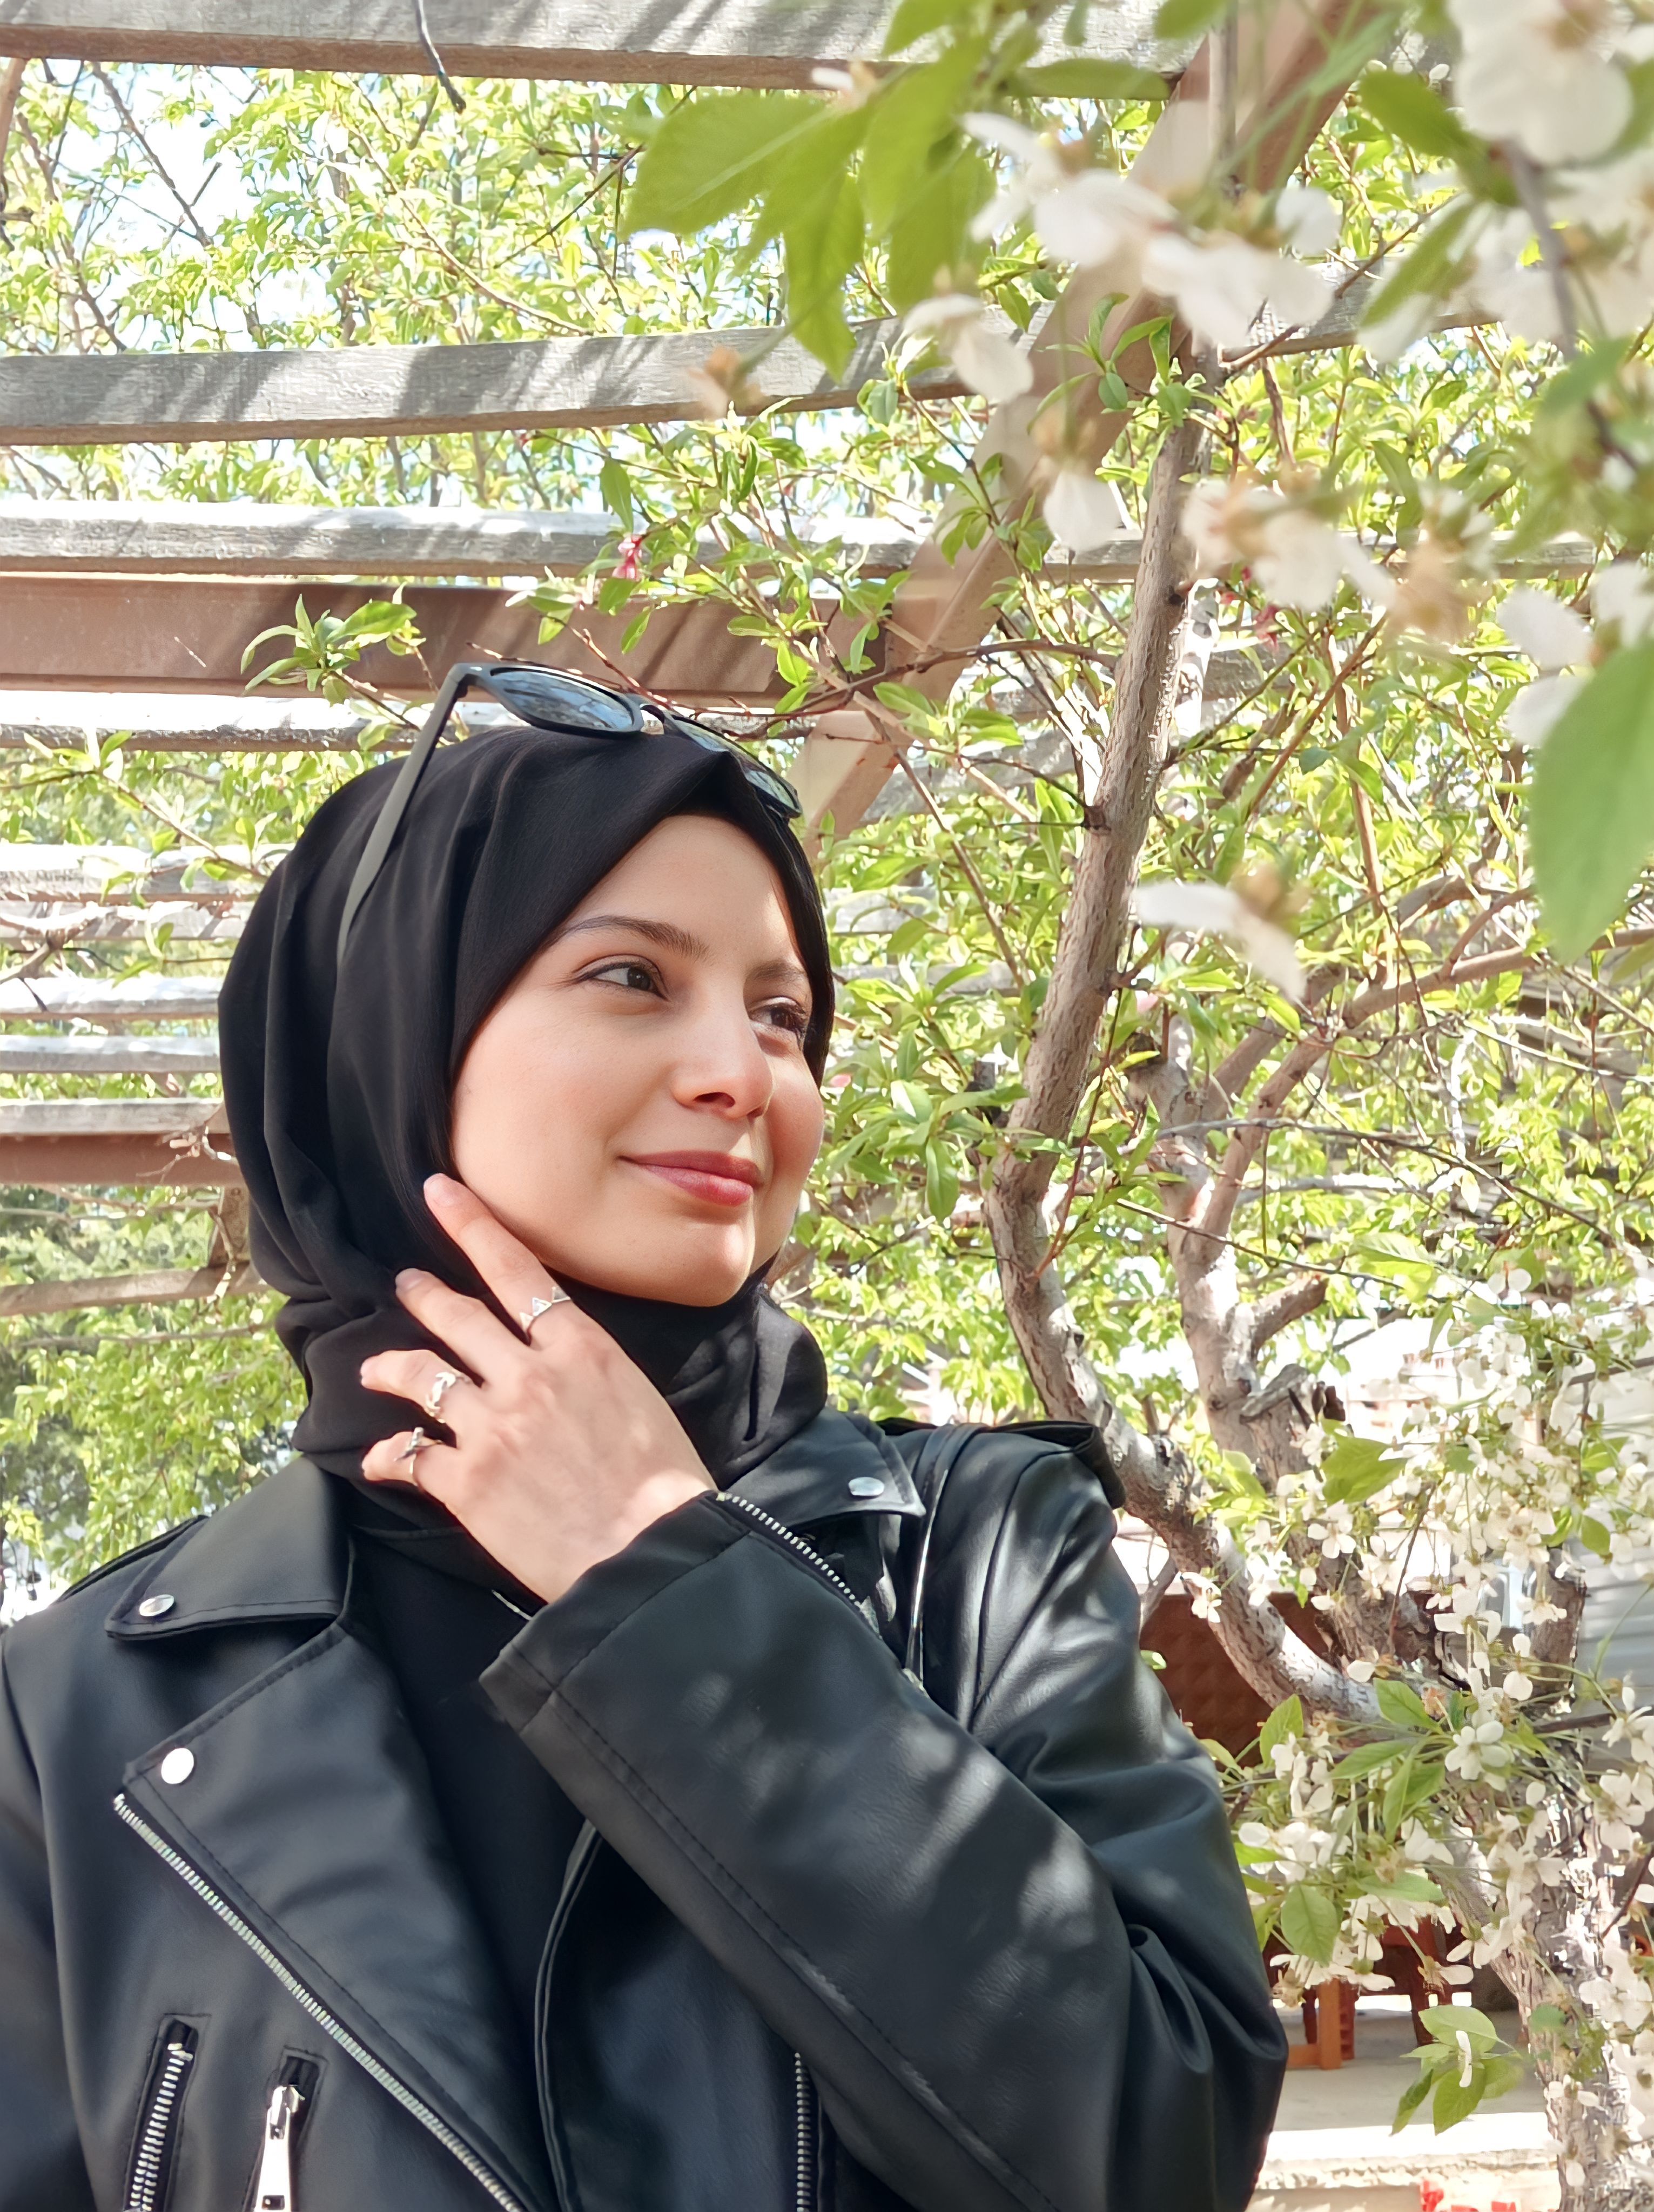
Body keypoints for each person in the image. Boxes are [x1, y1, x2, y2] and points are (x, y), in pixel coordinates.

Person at [0, 669, 1286, 2212]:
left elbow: (1159, 2155)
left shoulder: (980, 1556)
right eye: (630, 976)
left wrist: (661, 1576)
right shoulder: (82, 1709)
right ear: (388, 1035)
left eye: (782, 1015)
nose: (742, 1075)